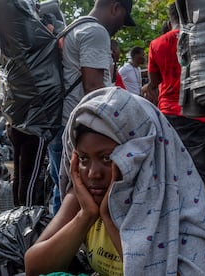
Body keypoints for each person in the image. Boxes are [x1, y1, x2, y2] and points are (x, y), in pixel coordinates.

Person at [25, 87, 205, 275]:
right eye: (83, 158)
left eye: (107, 158)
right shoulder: (86, 196)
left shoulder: (174, 209)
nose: (93, 174)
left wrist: (108, 216)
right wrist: (86, 215)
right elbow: (34, 266)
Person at [47, 0, 136, 214]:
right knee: (74, 195)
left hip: (60, 123)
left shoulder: (73, 28)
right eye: (123, 19)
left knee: (63, 188)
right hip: (79, 129)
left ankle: (59, 240)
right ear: (116, 7)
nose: (120, 26)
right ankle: (66, 243)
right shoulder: (95, 32)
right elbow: (94, 88)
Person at [146, 3, 205, 195]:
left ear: (169, 21)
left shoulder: (157, 44)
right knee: (197, 176)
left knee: (167, 172)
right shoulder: (203, 40)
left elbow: (154, 81)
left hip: (168, 116)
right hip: (200, 115)